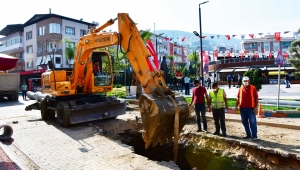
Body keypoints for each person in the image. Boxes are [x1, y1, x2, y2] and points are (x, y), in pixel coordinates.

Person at [235, 76, 259, 141]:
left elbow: (256, 98)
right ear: (242, 81)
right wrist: (236, 106)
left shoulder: (253, 88)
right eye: (244, 81)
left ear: (249, 81)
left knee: (253, 122)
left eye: (247, 81)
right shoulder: (240, 88)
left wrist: (256, 107)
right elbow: (238, 98)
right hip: (242, 108)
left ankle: (254, 136)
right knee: (244, 121)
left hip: (251, 109)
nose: (245, 82)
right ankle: (248, 134)